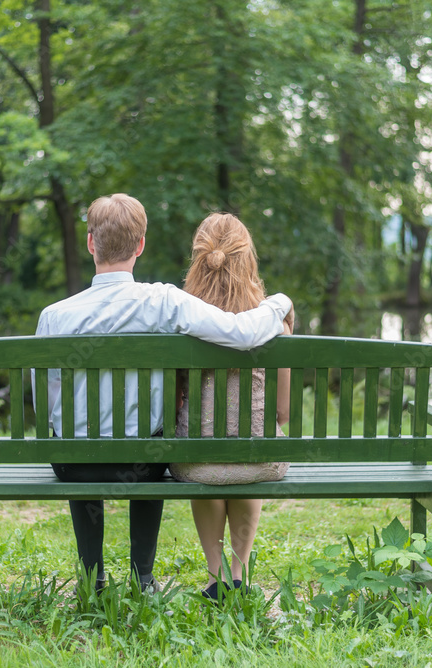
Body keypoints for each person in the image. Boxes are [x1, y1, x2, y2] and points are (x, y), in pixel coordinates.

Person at [33, 194, 294, 594]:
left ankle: (92, 578)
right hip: (143, 461)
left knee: (75, 442)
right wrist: (279, 304)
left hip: (73, 463)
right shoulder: (163, 301)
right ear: (140, 245)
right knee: (150, 444)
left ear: (90, 243)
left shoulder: (54, 315)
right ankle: (142, 578)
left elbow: (47, 401)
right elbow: (240, 332)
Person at [168, 213, 292, 600]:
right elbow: (283, 414)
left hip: (195, 462)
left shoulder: (180, 323)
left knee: (208, 454)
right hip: (261, 461)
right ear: (248, 260)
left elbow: (173, 405)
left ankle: (215, 575)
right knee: (252, 446)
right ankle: (239, 574)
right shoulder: (274, 324)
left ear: (198, 260)